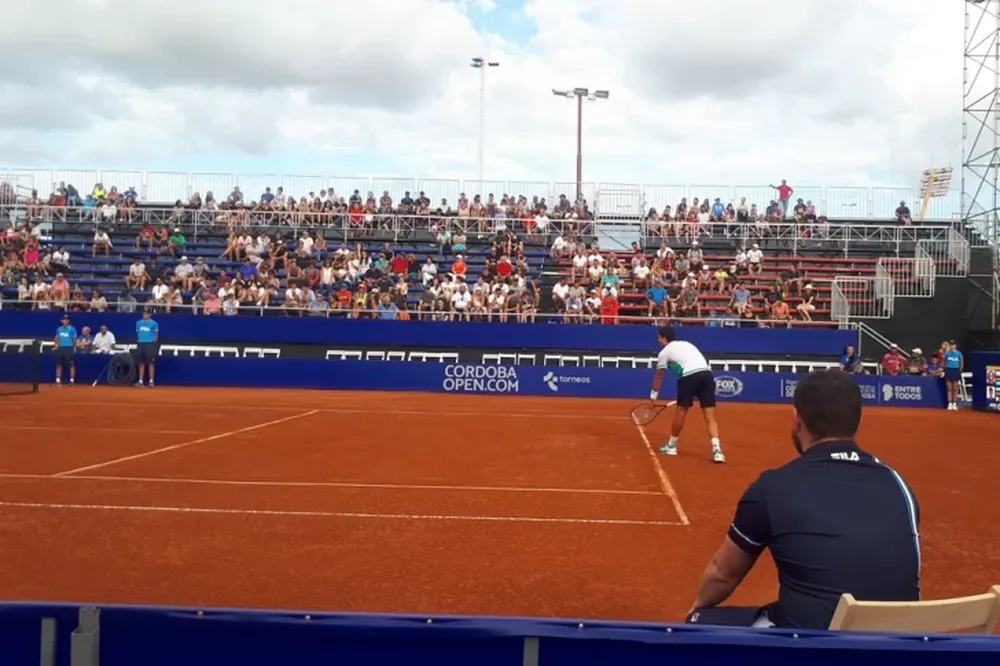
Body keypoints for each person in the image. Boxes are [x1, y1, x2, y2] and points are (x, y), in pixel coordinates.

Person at [686, 370, 920, 629]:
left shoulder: (772, 487)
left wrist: (696, 608)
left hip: (814, 642)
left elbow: (722, 574)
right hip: (898, 641)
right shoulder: (899, 485)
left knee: (698, 621)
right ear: (857, 420)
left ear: (798, 421)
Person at [649, 326, 725, 463]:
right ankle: (717, 451)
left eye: (659, 337)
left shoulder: (664, 353)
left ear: (664, 338)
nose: (658, 340)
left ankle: (671, 446)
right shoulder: (687, 344)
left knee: (681, 412)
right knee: (710, 417)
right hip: (707, 375)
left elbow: (659, 376)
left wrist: (653, 396)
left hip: (689, 377)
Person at [134, 309, 159, 388]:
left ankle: (151, 381)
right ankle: (140, 381)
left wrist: (153, 343)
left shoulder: (154, 323)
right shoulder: (138, 323)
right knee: (141, 363)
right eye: (144, 314)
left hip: (150, 344)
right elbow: (138, 333)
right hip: (141, 344)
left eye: (146, 314)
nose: (144, 315)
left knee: (151, 363)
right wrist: (140, 341)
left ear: (150, 315)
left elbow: (156, 334)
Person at [53, 314, 77, 385]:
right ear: (61, 321)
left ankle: (72, 380)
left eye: (66, 320)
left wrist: (74, 347)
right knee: (59, 364)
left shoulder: (72, 329)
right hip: (61, 348)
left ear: (69, 321)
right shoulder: (59, 329)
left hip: (69, 348)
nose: (65, 321)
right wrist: (56, 345)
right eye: (64, 319)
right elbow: (57, 338)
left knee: (71, 365)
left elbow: (74, 339)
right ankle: (58, 380)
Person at [943, 341, 964, 411]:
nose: (952, 346)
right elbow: (944, 362)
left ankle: (954, 403)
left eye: (953, 345)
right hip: (948, 370)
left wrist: (958, 371)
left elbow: (961, 364)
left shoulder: (959, 354)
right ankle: (949, 403)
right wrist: (946, 369)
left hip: (956, 370)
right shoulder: (947, 354)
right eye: (951, 345)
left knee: (955, 388)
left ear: (955, 346)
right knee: (949, 388)